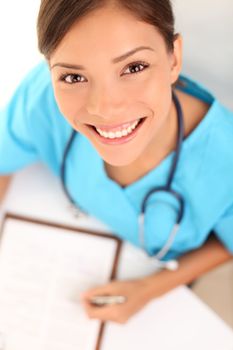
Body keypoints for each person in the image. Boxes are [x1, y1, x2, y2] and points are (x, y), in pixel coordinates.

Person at [0, 0, 233, 324]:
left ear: (174, 58)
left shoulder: (225, 157)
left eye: (134, 67)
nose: (104, 109)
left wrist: (149, 289)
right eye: (72, 77)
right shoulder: (40, 98)